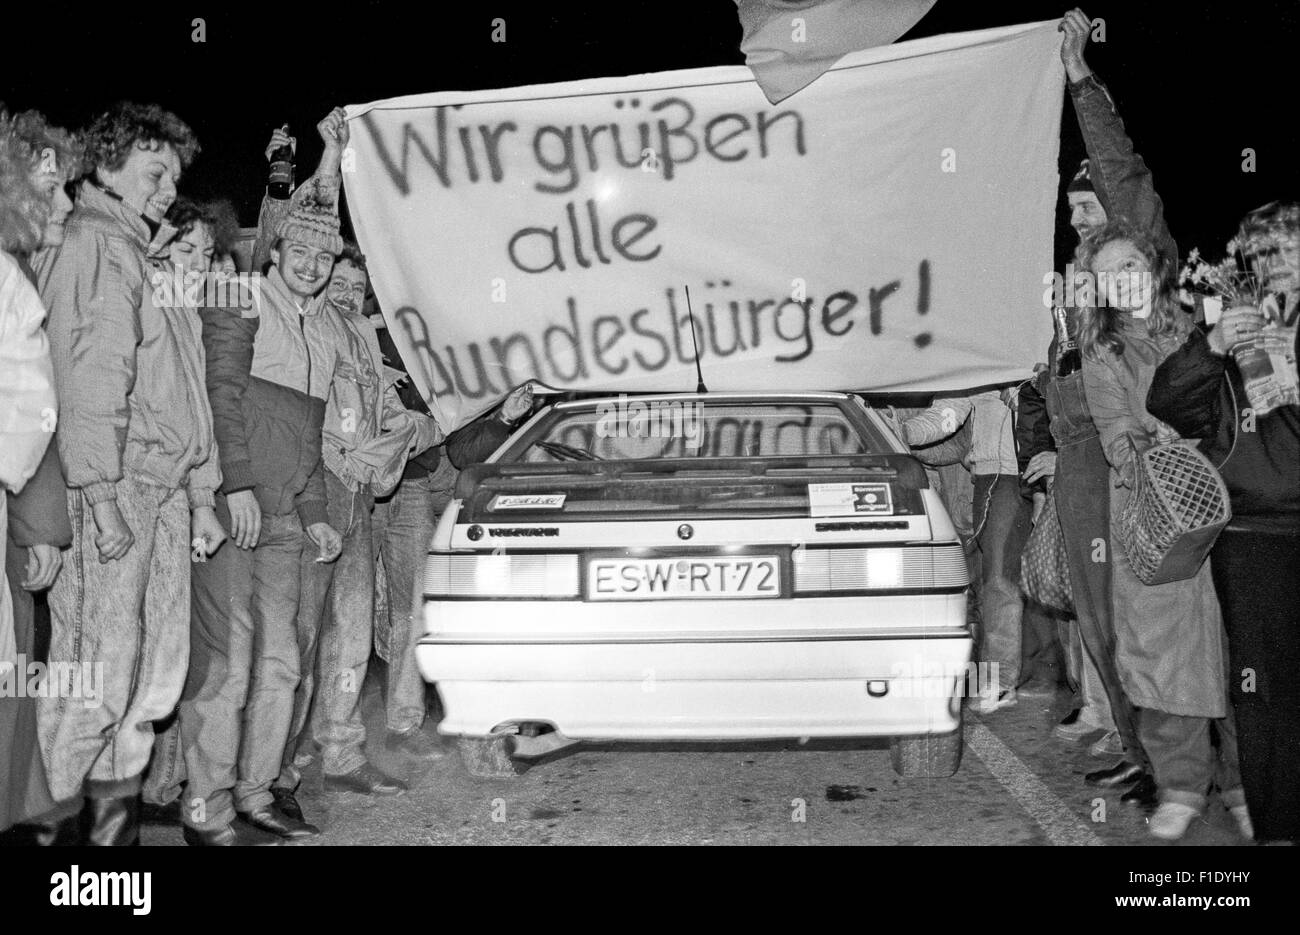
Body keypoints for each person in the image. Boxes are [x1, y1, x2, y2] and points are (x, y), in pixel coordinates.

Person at [31, 102, 224, 847]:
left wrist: (198, 494)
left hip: (159, 490)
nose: (168, 189)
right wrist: (101, 497)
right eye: (154, 171)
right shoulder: (94, 243)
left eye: (174, 177)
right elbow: (87, 378)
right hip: (115, 488)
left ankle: (112, 848)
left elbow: (184, 389)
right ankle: (44, 839)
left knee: (150, 682)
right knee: (94, 681)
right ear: (107, 164)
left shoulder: (138, 253)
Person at [178, 112, 345, 846]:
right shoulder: (239, 298)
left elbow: (308, 435)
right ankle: (205, 806)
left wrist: (315, 510)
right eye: (299, 250)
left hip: (283, 519)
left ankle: (256, 794)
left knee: (282, 665)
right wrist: (235, 484)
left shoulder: (322, 331)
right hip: (229, 508)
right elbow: (221, 396)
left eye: (324, 255)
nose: (311, 263)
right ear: (275, 250)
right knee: (229, 664)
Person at [1015, 8, 1167, 803]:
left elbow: (1122, 174)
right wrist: (1043, 439)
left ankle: (1177, 763)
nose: (1078, 214)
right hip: (1079, 460)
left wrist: (1079, 78)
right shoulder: (1073, 285)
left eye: (1089, 204)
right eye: (1072, 206)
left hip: (1131, 452)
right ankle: (1141, 751)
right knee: (1101, 615)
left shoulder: (1137, 257)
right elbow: (1051, 375)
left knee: (1145, 612)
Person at [1077, 218, 1249, 841]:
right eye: (1106, 275)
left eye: (1129, 265)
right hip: (1157, 515)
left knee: (1236, 650)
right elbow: (1116, 435)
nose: (1121, 281)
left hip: (1228, 505)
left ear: (1152, 267)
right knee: (1163, 656)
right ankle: (1180, 785)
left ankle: (1243, 783)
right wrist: (1160, 448)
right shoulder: (1103, 352)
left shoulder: (1204, 321)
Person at [1148, 201, 1300, 843]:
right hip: (1256, 535)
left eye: (1288, 248)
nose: (1276, 263)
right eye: (1262, 253)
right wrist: (1211, 346)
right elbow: (1169, 403)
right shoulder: (1233, 323)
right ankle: (1279, 825)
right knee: (1263, 691)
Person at [276, 237, 442, 804]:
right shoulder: (303, 326)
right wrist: (348, 456)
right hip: (309, 499)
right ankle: (275, 769)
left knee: (351, 634)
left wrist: (423, 428)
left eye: (355, 287)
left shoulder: (364, 339)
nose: (346, 294)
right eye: (337, 282)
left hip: (355, 502)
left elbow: (398, 419)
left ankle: (342, 752)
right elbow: (295, 418)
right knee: (298, 639)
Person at [0, 108, 65, 837]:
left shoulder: (14, 275)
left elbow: (34, 406)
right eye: (48, 188)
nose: (60, 201)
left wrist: (37, 522)